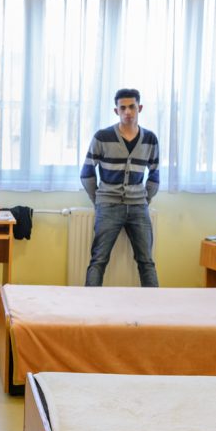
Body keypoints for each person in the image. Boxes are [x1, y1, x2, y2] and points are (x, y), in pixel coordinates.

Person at [80, 88, 160, 287]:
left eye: (132, 107)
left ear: (140, 108)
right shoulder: (102, 137)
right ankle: (89, 303)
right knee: (98, 260)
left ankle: (155, 304)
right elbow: (87, 172)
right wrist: (99, 200)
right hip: (108, 205)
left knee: (146, 261)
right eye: (122, 108)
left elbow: (155, 174)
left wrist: (144, 199)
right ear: (116, 111)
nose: (128, 112)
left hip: (138, 207)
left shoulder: (150, 139)